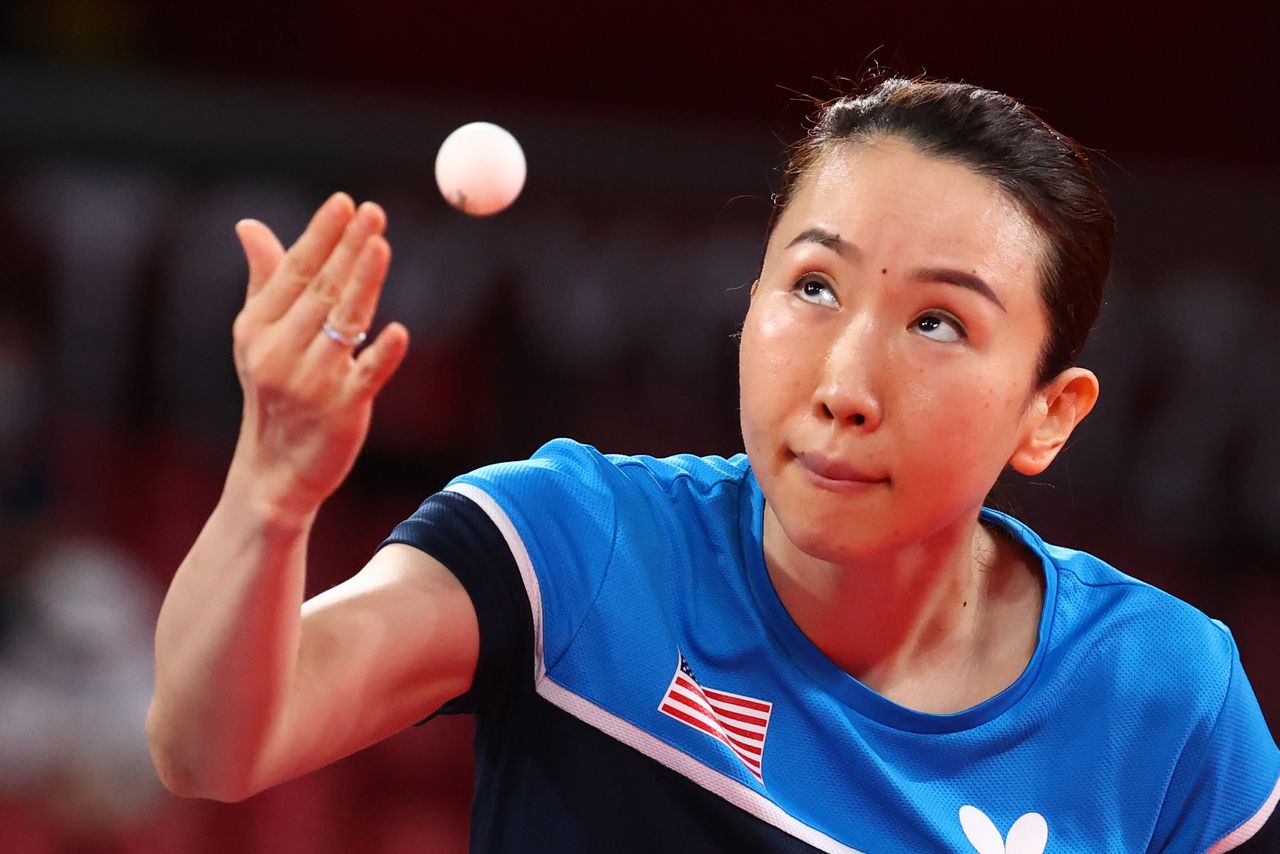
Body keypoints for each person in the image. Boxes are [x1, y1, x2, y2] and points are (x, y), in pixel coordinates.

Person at [145, 77, 1280, 852]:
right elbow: (210, 744)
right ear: (748, 305)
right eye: (813, 286)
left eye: (937, 322)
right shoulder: (575, 548)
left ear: (1047, 412)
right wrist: (271, 490)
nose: (843, 380)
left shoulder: (1167, 698)